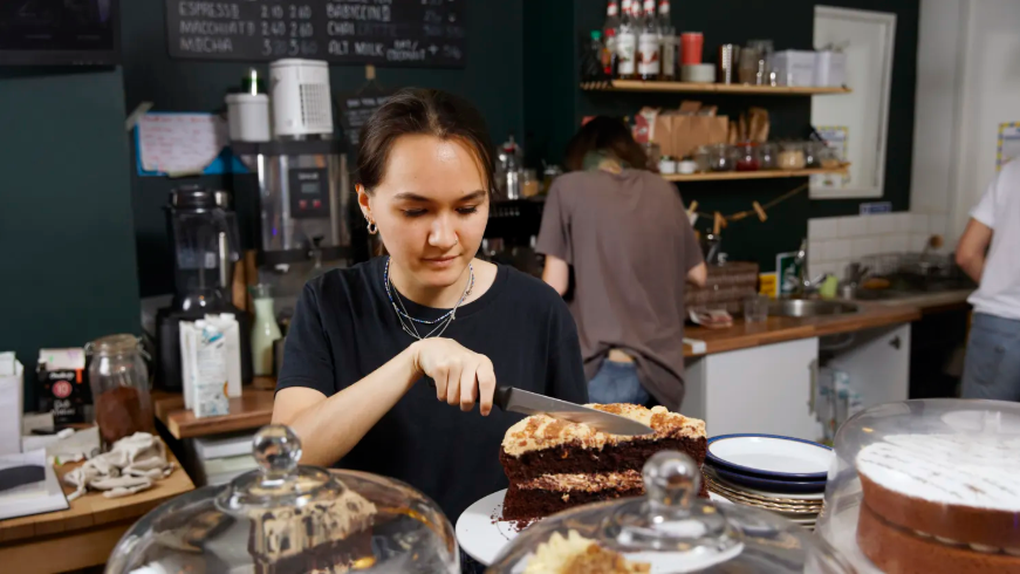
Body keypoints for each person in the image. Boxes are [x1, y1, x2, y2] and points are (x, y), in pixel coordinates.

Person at [271, 89, 588, 530]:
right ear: (368, 203)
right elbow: (288, 454)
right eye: (416, 211)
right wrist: (415, 359)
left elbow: (575, 468)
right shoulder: (330, 303)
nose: (443, 236)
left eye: (467, 208)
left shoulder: (539, 310)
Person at [536, 116, 707, 411]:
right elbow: (699, 274)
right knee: (649, 458)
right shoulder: (664, 189)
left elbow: (554, 286)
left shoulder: (567, 187)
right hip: (662, 374)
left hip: (600, 370)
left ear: (581, 155)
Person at [955, 160, 1020, 401]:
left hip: (998, 325)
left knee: (982, 432)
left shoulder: (1012, 172)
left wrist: (1000, 286)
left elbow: (966, 254)